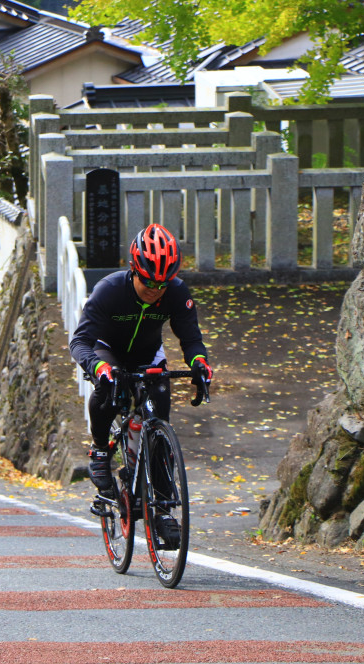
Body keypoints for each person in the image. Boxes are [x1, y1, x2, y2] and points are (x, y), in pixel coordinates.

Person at [70, 223, 213, 522]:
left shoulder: (176, 292)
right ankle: (99, 450)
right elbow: (80, 341)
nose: (155, 291)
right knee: (108, 389)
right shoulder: (109, 290)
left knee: (159, 428)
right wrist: (97, 366)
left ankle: (161, 511)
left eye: (162, 284)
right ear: (134, 269)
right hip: (109, 351)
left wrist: (199, 362)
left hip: (149, 355)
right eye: (148, 282)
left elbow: (190, 338)